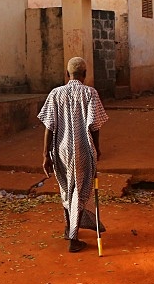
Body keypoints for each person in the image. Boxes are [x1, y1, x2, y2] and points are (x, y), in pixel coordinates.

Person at [38, 56, 108, 253]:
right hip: (83, 149)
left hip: (60, 149)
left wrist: (45, 154)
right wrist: (97, 148)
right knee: (79, 191)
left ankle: (70, 227)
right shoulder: (90, 93)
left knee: (66, 189)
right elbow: (94, 126)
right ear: (85, 75)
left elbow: (48, 126)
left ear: (67, 74)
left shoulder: (55, 93)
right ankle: (73, 239)